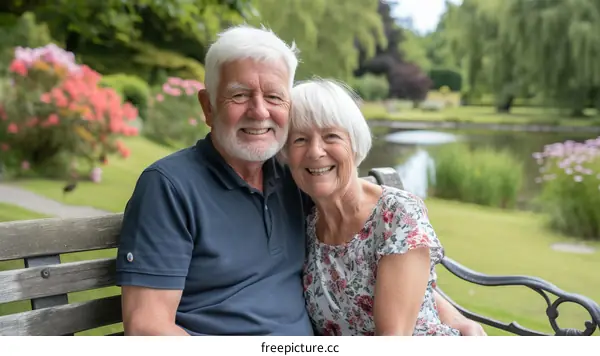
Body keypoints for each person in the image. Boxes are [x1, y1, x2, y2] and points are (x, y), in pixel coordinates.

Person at [115, 24, 485, 336]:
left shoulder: (294, 179)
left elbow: (379, 266)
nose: (259, 111)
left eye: (274, 96)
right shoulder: (170, 186)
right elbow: (147, 326)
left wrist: (459, 322)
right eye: (239, 95)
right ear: (208, 106)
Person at [282, 78, 463, 336]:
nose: (315, 151)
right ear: (286, 153)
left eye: (331, 136)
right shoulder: (306, 225)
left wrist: (459, 320)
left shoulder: (396, 215)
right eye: (299, 139)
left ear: (354, 142)